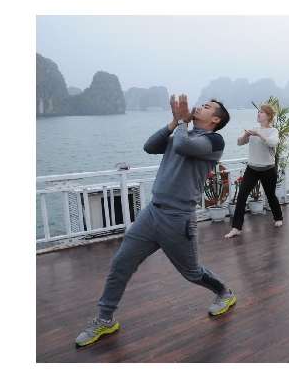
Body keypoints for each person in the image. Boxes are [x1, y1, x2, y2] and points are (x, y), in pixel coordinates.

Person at [74, 94, 236, 347]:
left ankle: (224, 292)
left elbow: (182, 146)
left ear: (215, 120)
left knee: (192, 272)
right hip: (152, 213)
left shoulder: (213, 141)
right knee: (121, 264)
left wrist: (181, 122)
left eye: (206, 107)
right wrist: (174, 123)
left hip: (178, 218)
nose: (199, 106)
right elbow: (149, 147)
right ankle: (105, 319)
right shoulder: (181, 134)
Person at [225, 104, 283, 237]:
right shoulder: (254, 129)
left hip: (268, 169)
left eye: (261, 112)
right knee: (241, 196)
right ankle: (236, 228)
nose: (258, 114)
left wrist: (259, 134)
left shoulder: (273, 131)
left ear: (268, 116)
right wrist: (246, 135)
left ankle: (278, 218)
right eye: (258, 112)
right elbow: (239, 142)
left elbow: (273, 142)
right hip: (252, 169)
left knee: (271, 196)